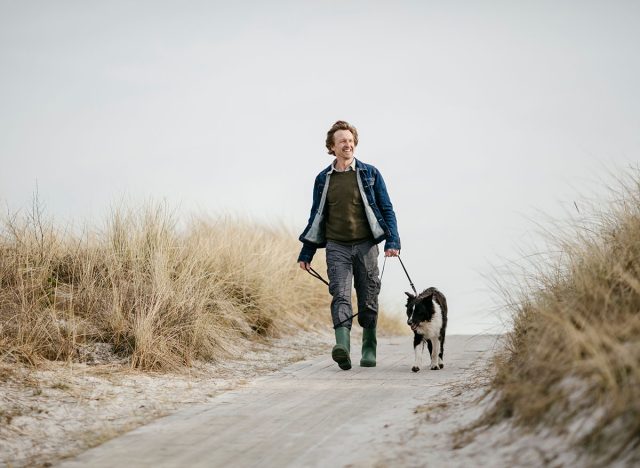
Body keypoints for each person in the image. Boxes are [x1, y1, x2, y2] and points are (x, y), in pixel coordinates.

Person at [297, 120, 401, 370]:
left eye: (351, 140)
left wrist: (393, 240)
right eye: (342, 140)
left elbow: (386, 209)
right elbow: (317, 216)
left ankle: (368, 347)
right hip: (337, 247)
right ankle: (342, 346)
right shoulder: (323, 179)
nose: (348, 144)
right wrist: (307, 251)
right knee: (340, 296)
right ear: (332, 147)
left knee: (368, 297)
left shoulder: (370, 173)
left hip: (366, 245)